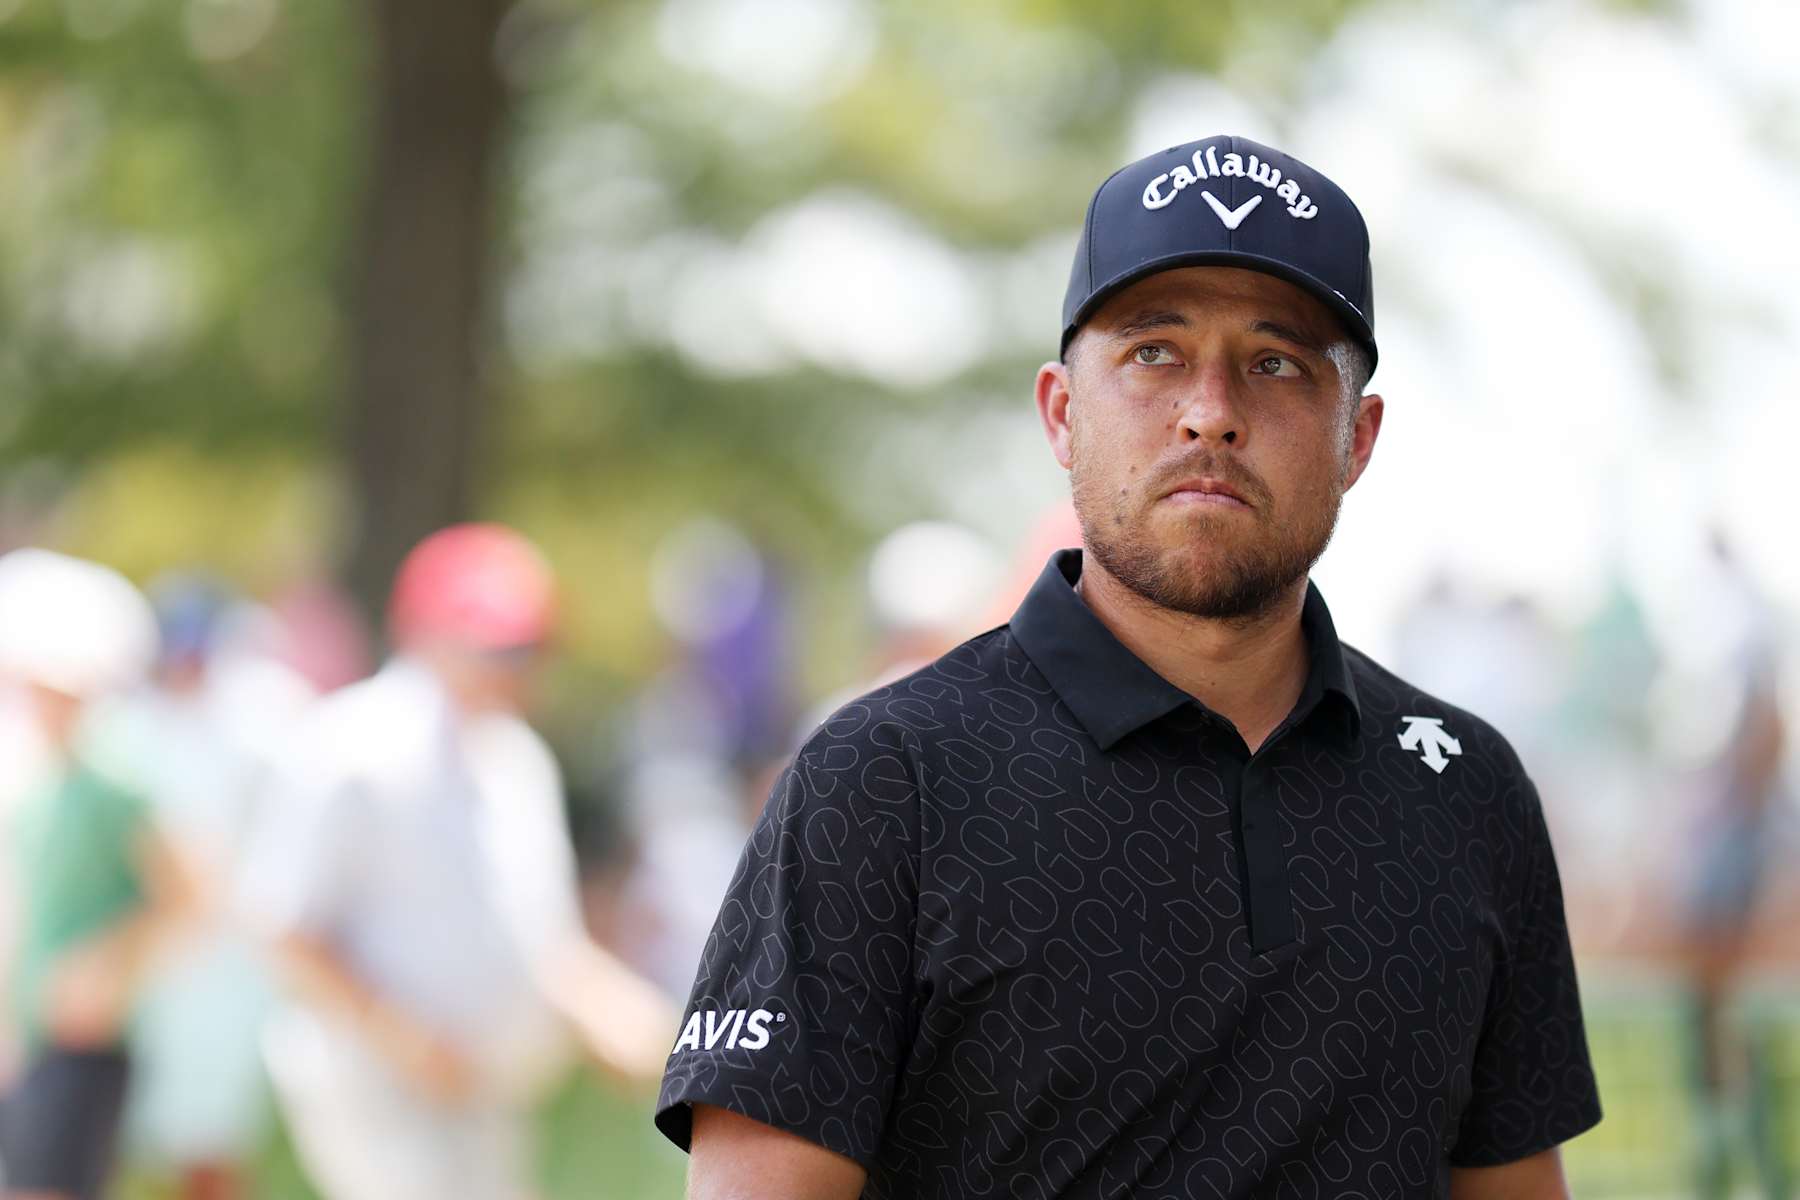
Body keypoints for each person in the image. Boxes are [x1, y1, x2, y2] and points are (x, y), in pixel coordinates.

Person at [655, 135, 1603, 1199]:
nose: (1210, 410)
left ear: (1359, 440)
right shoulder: (885, 779)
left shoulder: (1467, 790)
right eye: (1154, 353)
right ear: (1063, 412)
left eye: (1276, 362)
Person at [240, 523, 674, 1200]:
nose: (514, 667)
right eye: (496, 648)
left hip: (487, 1090)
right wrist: (404, 1038)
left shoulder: (513, 758)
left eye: (525, 648)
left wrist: (615, 1012)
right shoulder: (351, 748)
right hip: (379, 1086)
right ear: (423, 632)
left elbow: (535, 935)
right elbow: (283, 927)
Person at [0, 549, 193, 1200]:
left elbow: (192, 896)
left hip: (81, 1045)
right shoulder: (38, 778)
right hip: (32, 1036)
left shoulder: (115, 780)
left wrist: (108, 962)